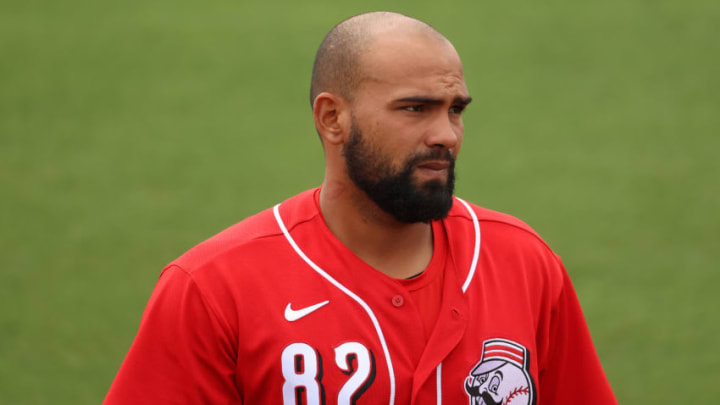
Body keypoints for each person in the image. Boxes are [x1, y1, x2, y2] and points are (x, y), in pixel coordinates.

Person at [104, 11, 617, 405]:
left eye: (454, 110)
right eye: (415, 109)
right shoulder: (214, 289)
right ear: (332, 119)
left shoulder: (522, 262)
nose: (445, 135)